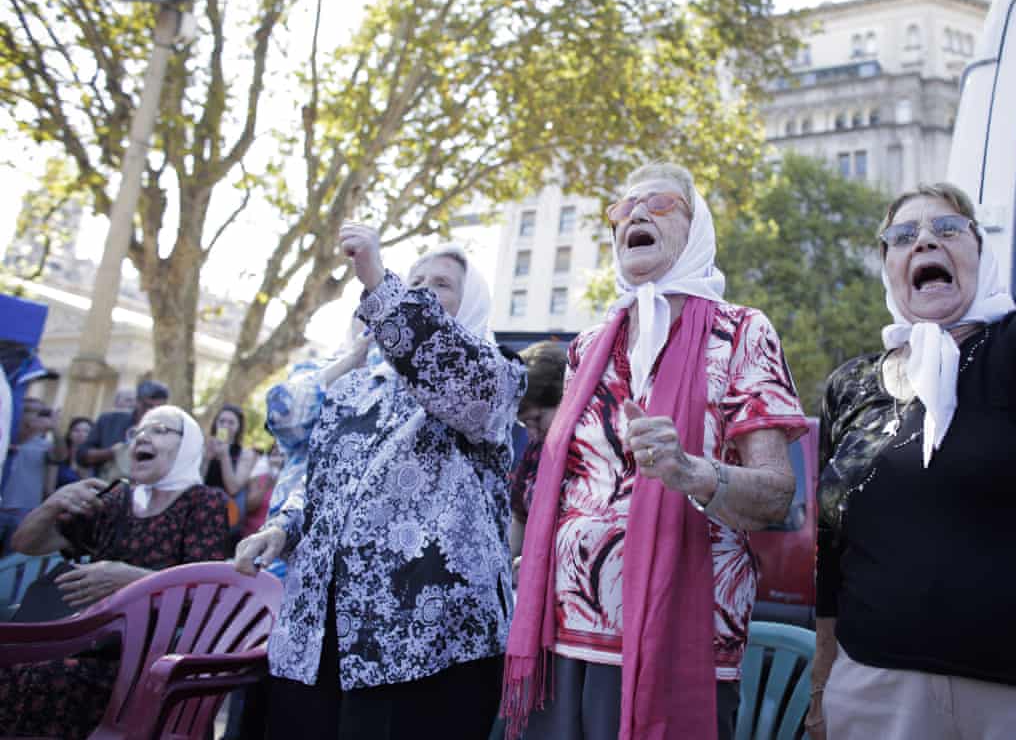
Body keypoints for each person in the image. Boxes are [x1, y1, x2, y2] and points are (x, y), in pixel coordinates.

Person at [806, 40, 1016, 740]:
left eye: (945, 228)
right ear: (889, 267)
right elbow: (834, 554)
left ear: (979, 252)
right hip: (879, 696)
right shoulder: (851, 384)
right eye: (902, 235)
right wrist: (823, 684)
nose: (922, 241)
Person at [503, 162, 808, 740]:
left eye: (660, 204)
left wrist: (691, 472)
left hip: (677, 640)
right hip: (564, 638)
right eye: (622, 209)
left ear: (696, 230)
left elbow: (775, 496)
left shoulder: (742, 332)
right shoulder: (587, 349)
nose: (635, 215)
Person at [233, 225, 526, 740]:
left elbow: (446, 366)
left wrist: (378, 280)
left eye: (439, 285)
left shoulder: (494, 375)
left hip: (423, 638)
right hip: (323, 630)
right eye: (414, 281)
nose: (420, 292)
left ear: (471, 303)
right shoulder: (354, 388)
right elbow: (318, 476)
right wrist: (281, 528)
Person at [0, 405, 229, 740]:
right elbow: (26, 544)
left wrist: (129, 579)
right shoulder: (116, 499)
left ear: (188, 446)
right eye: (136, 432)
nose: (143, 437)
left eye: (160, 429)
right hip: (87, 638)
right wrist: (53, 505)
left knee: (44, 677)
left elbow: (206, 593)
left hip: (151, 656)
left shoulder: (204, 502)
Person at [508, 340, 568, 567]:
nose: (532, 434)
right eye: (525, 424)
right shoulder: (535, 452)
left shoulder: (592, 449)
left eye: (536, 420)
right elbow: (520, 516)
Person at [77, 378, 169, 481]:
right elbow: (82, 456)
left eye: (158, 408)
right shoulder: (110, 421)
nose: (152, 411)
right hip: (107, 487)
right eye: (147, 406)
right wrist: (111, 452)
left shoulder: (168, 430)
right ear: (137, 401)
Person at [0, 396, 57, 553]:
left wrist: (55, 428)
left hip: (24, 512)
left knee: (12, 565)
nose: (33, 416)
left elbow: (60, 455)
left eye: (39, 413)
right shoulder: (5, 438)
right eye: (28, 411)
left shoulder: (45, 445)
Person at [203, 403, 258, 540]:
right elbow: (196, 483)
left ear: (238, 427)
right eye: (222, 421)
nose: (225, 426)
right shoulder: (204, 448)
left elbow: (233, 488)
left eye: (231, 422)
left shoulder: (246, 454)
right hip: (202, 513)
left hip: (227, 518)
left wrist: (224, 456)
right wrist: (206, 459)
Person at [240, 443, 284, 539]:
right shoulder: (258, 478)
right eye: (274, 454)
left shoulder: (289, 482)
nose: (277, 458)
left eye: (281, 454)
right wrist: (266, 485)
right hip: (251, 535)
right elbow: (249, 506)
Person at [47, 416, 94, 495]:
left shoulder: (96, 457)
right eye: (76, 430)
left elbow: (92, 488)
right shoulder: (58, 454)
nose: (81, 434)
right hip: (57, 501)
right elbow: (48, 489)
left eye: (86, 431)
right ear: (69, 434)